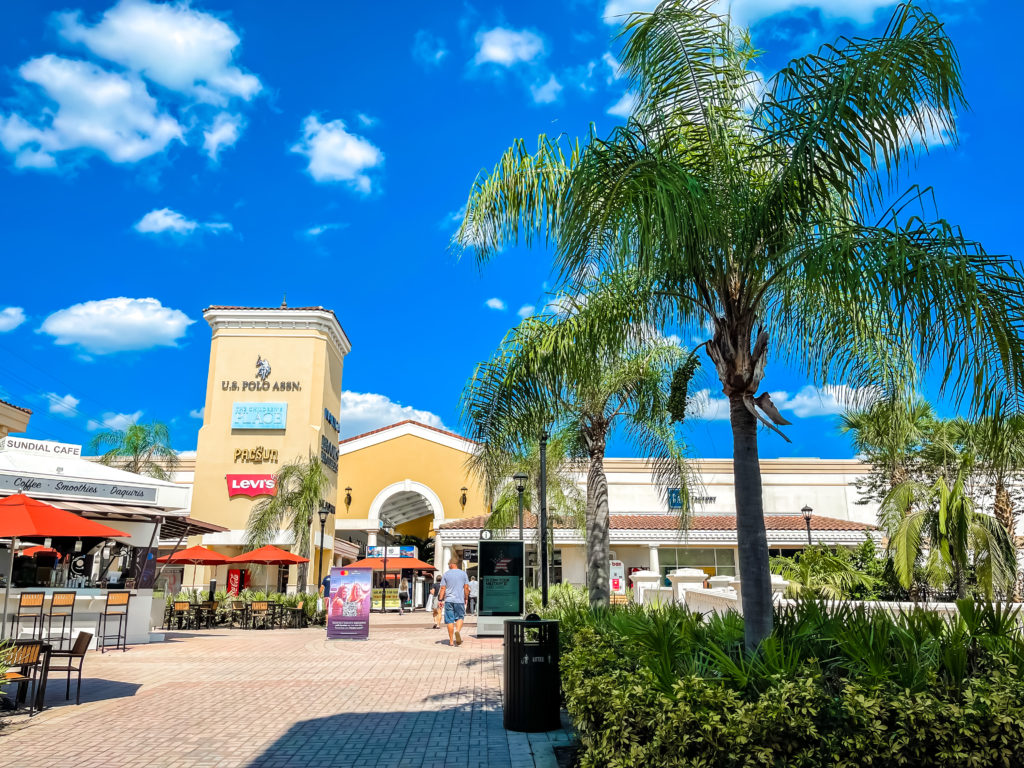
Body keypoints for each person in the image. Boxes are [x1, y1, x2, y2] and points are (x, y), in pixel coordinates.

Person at [438, 559, 470, 647]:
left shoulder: (446, 574)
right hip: (459, 600)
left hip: (449, 600)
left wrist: (440, 600)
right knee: (460, 617)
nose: (448, 565)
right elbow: (466, 587)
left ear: (452, 564)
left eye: (449, 564)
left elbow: (443, 588)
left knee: (449, 620)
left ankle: (451, 641)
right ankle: (457, 631)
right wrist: (466, 597)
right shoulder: (463, 574)